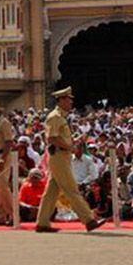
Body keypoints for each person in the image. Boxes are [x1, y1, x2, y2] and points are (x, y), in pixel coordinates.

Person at [35, 87, 106, 233]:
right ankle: (89, 220)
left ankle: (42, 222)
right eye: (68, 99)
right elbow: (51, 138)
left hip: (62, 156)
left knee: (51, 192)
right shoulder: (55, 117)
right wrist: (70, 147)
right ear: (61, 100)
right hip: (59, 156)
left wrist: (73, 142)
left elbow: (58, 137)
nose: (71, 102)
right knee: (71, 189)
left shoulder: (60, 117)